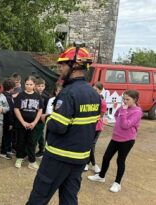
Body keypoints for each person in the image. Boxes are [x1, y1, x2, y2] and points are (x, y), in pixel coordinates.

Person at [26, 46, 100, 204]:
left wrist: (48, 117)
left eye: (62, 65)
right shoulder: (93, 93)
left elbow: (59, 126)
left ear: (74, 66)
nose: (60, 69)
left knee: (39, 197)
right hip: (80, 158)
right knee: (69, 198)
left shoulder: (68, 93)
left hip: (59, 157)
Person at [88, 90, 143, 193]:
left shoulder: (137, 111)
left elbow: (125, 125)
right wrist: (122, 114)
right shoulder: (122, 108)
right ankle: (101, 176)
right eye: (123, 99)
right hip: (115, 138)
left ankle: (117, 183)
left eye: (127, 99)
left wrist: (123, 112)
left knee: (120, 161)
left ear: (135, 99)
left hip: (127, 140)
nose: (125, 101)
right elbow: (116, 114)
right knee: (106, 157)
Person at [14, 76, 43, 169]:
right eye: (27, 84)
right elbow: (16, 109)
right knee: (20, 141)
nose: (29, 86)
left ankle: (32, 161)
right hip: (21, 124)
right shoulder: (20, 95)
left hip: (33, 125)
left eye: (31, 84)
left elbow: (40, 110)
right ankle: (19, 158)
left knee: (32, 142)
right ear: (24, 84)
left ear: (34, 85)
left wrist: (34, 123)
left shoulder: (38, 96)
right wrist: (23, 122)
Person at [84, 82, 107, 173]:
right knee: (87, 145)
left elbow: (101, 115)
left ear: (100, 91)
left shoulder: (102, 102)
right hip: (88, 126)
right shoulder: (88, 99)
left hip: (97, 127)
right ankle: (86, 163)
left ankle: (93, 164)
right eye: (92, 89)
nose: (93, 91)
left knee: (91, 145)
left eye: (95, 90)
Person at [0, 78, 16, 160]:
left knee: (7, 136)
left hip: (4, 120)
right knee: (7, 136)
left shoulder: (4, 95)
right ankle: (4, 152)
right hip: (8, 121)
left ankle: (8, 149)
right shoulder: (8, 98)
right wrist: (11, 123)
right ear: (11, 88)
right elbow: (10, 112)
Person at [33, 78, 49, 158]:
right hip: (32, 118)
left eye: (42, 86)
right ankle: (41, 149)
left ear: (44, 86)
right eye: (39, 86)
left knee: (38, 134)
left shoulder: (46, 96)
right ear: (35, 86)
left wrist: (44, 117)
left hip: (41, 119)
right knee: (39, 134)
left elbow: (46, 108)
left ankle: (40, 150)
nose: (40, 88)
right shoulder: (32, 95)